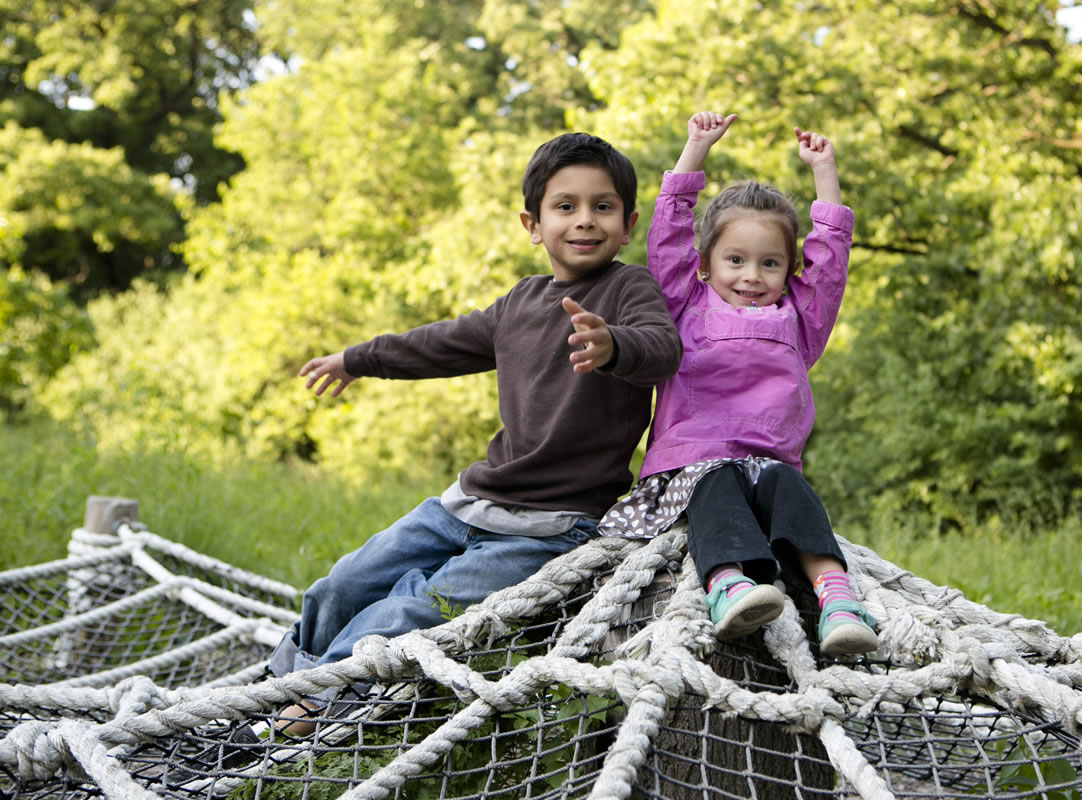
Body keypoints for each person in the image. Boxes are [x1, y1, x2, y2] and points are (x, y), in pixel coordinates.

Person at [272, 132, 683, 732]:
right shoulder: (520, 301)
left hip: (550, 527)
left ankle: (308, 714)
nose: (585, 220)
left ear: (628, 223)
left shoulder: (628, 290)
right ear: (533, 224)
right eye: (565, 206)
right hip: (466, 504)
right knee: (343, 583)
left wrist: (612, 343)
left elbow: (663, 349)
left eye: (603, 207)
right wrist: (357, 359)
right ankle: (277, 688)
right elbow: (439, 342)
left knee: (413, 606)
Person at [599, 112, 878, 656]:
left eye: (770, 264)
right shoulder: (684, 305)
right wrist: (695, 149)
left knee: (794, 492)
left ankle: (837, 598)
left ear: (789, 269)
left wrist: (825, 170)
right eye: (735, 260)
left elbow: (831, 262)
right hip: (694, 467)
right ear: (705, 263)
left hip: (770, 466)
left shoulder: (800, 319)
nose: (752, 275)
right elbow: (667, 237)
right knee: (718, 487)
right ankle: (729, 584)